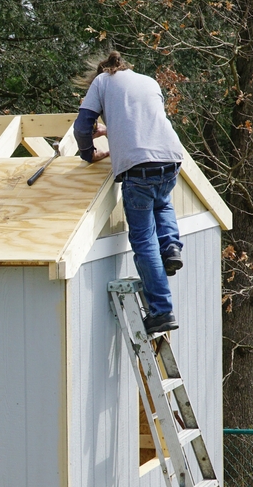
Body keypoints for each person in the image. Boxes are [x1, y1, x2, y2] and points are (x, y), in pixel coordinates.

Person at [73, 51, 184, 334]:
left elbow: (81, 126)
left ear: (102, 71)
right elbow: (140, 124)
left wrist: (88, 153)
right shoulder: (148, 81)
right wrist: (109, 130)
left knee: (145, 242)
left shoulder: (101, 82)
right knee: (161, 201)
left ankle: (161, 312)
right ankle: (171, 246)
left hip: (139, 170)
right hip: (171, 158)